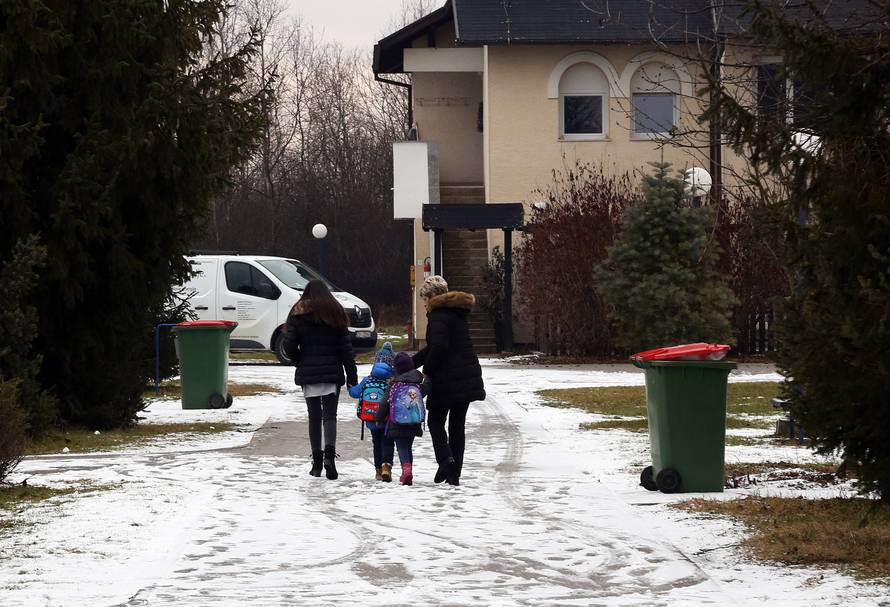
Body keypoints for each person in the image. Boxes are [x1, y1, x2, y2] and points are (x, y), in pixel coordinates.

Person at [413, 276, 485, 486]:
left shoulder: (437, 316)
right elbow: (435, 346)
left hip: (447, 378)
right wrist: (411, 362)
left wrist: (427, 371)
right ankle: (454, 474)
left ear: (434, 296)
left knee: (435, 421)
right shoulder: (456, 313)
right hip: (465, 376)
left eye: (425, 299)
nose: (424, 303)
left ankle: (445, 461)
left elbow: (439, 347)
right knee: (456, 426)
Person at [284, 279, 358, 480]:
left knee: (314, 417)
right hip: (332, 371)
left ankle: (316, 462)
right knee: (330, 416)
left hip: (309, 373)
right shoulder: (335, 314)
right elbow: (346, 351)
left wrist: (301, 361)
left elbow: (289, 346)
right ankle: (330, 458)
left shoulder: (298, 315)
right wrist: (352, 377)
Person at [376, 352, 428, 485]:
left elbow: (384, 403)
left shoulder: (394, 385)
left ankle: (406, 471)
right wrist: (428, 379)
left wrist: (379, 417)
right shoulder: (416, 384)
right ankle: (408, 470)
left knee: (402, 447)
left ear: (396, 369)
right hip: (414, 420)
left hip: (396, 422)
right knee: (408, 446)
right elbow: (427, 388)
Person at [348, 342, 395, 480]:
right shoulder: (390, 381)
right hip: (387, 420)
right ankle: (387, 467)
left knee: (376, 443)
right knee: (387, 442)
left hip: (370, 418)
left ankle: (378, 471)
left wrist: (350, 386)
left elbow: (355, 393)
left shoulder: (367, 380)